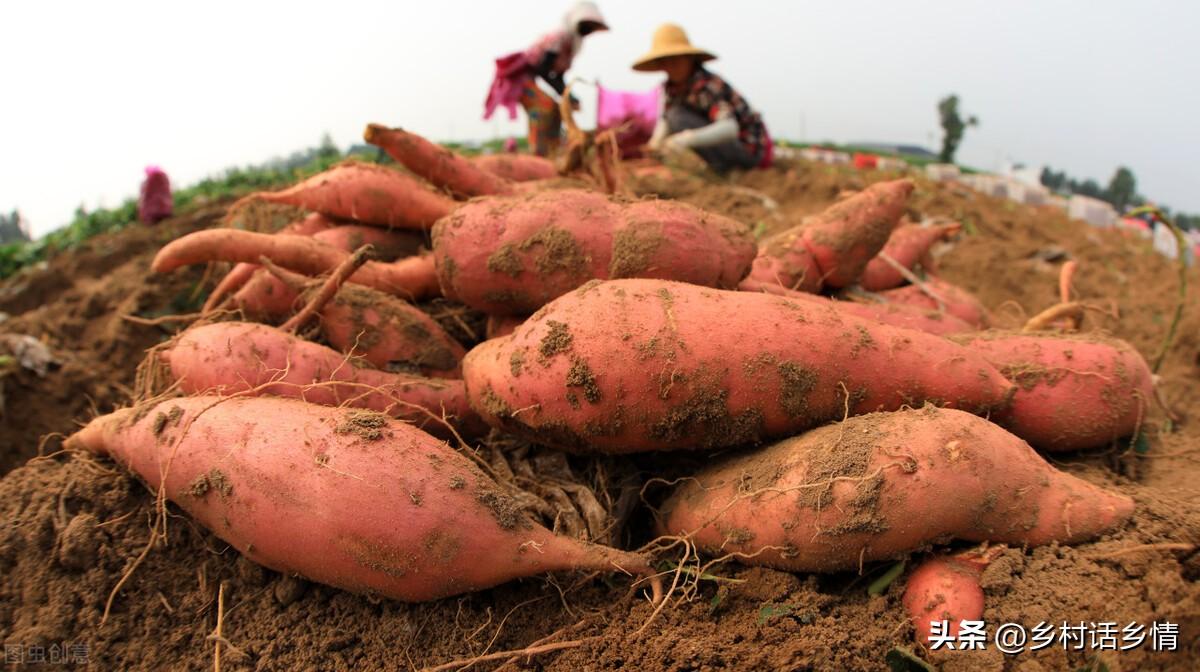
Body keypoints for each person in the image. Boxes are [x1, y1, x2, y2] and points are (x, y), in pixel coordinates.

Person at [633, 23, 772, 173]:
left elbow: (730, 127)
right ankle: (720, 168)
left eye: (675, 60)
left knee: (677, 117)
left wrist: (685, 139)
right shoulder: (671, 88)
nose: (670, 66)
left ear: (689, 59)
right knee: (674, 115)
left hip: (749, 149)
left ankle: (729, 168)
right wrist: (654, 145)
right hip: (727, 148)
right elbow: (665, 119)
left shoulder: (706, 85)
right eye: (665, 61)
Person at [484, 2, 609, 157]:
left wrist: (570, 96)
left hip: (533, 78)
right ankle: (538, 153)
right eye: (587, 25)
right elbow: (542, 70)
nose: (588, 30)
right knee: (544, 107)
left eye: (592, 27)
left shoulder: (570, 46)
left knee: (557, 110)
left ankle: (553, 152)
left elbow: (557, 78)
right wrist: (566, 94)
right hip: (521, 79)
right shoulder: (559, 38)